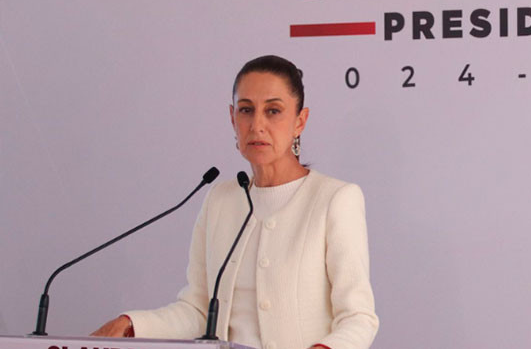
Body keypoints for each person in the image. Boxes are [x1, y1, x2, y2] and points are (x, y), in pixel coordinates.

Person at [91, 55, 379, 349]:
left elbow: (358, 318)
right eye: (246, 110)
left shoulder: (335, 199)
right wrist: (132, 324)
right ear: (232, 118)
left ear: (300, 121)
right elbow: (199, 311)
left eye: (273, 111)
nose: (257, 125)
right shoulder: (220, 200)